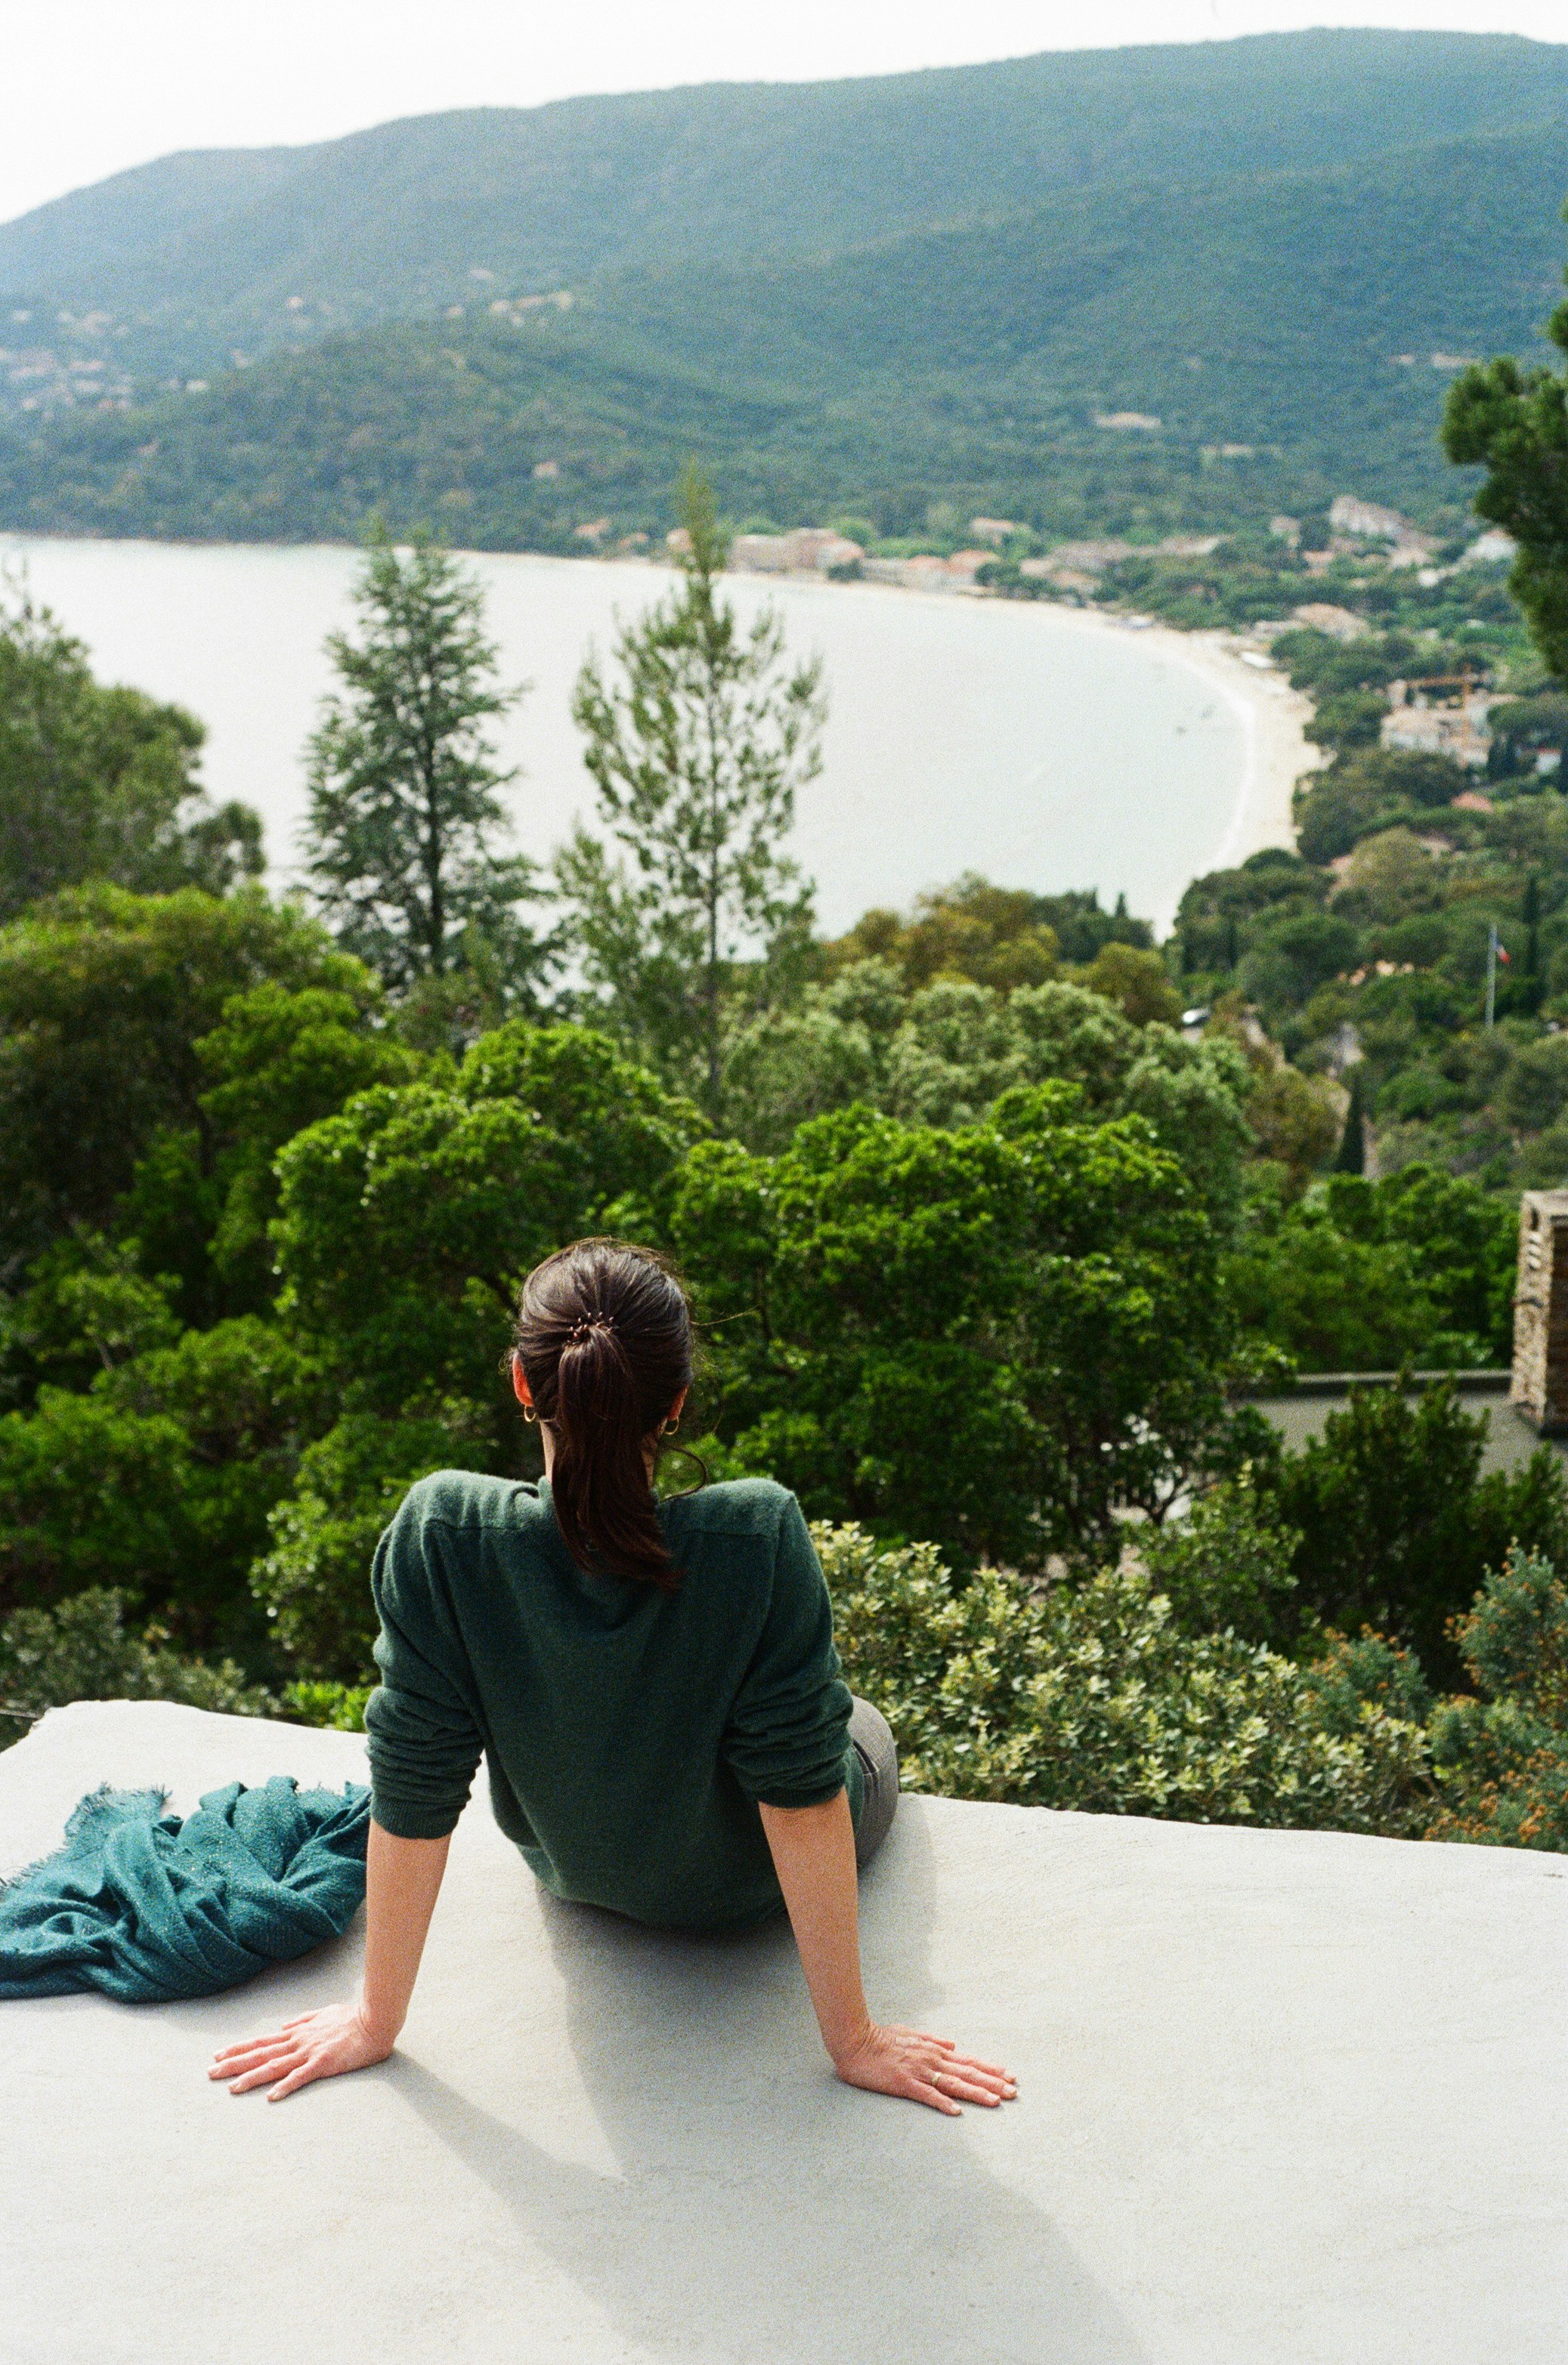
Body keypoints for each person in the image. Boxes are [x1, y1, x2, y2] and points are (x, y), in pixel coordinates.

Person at [212, 1238, 1016, 2117]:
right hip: (736, 1892)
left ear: (524, 1383)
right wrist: (852, 2040)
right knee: (858, 1723)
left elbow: (414, 1778)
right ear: (673, 1405)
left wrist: (375, 2019)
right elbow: (799, 1792)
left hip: (568, 1870)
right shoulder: (754, 1534)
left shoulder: (441, 1529)